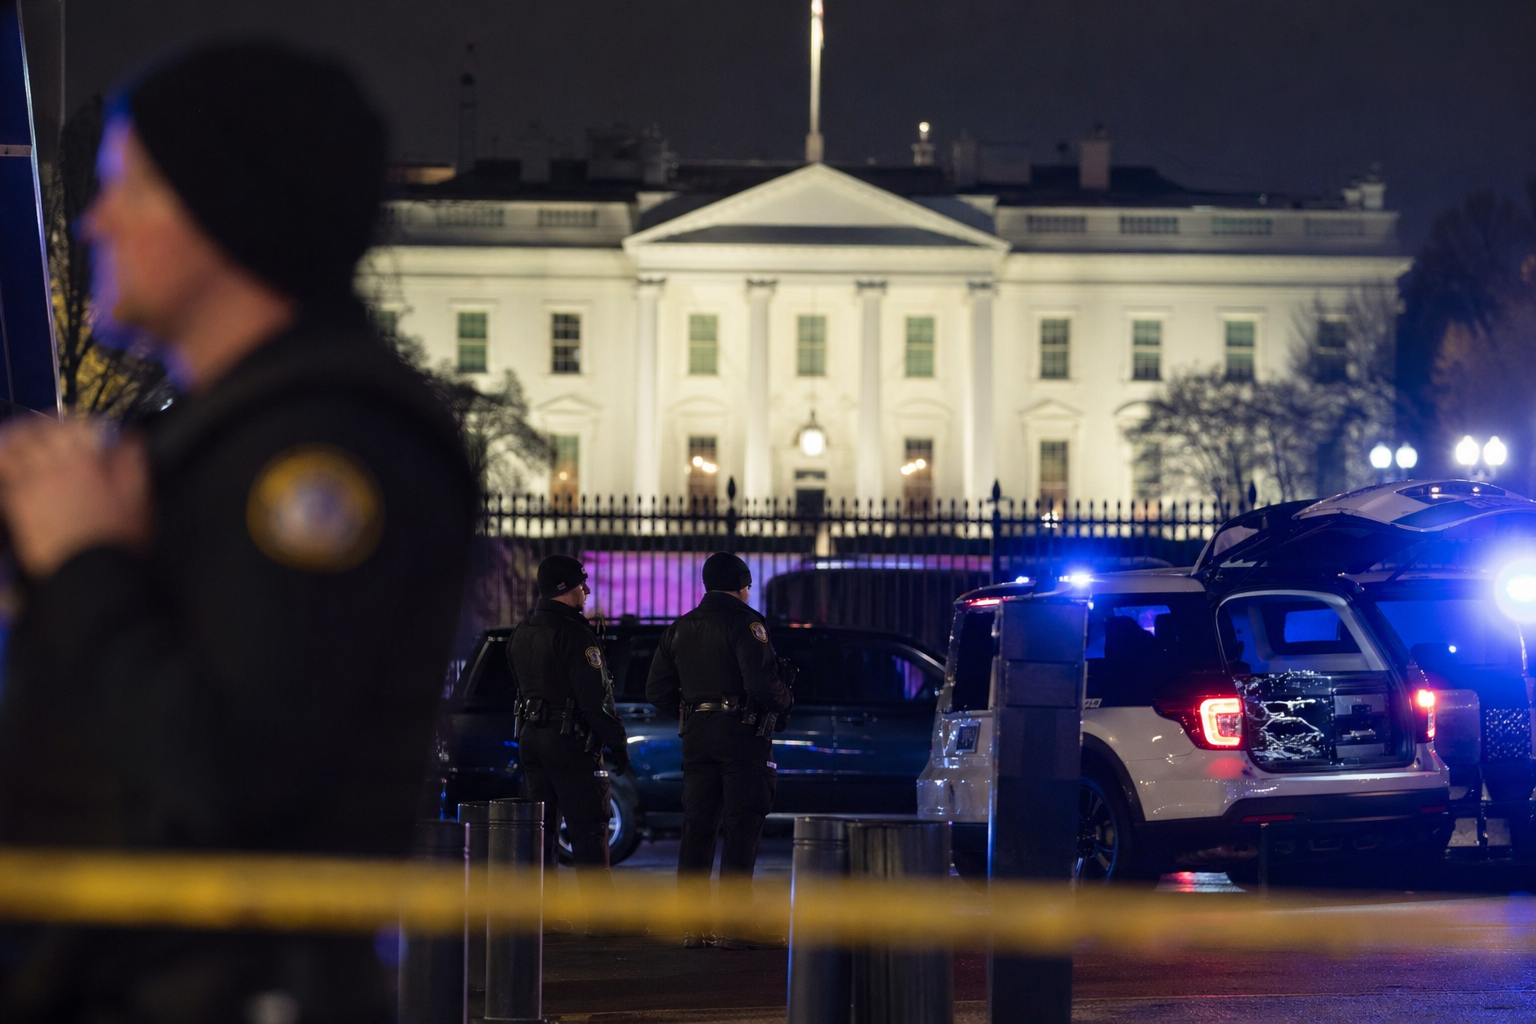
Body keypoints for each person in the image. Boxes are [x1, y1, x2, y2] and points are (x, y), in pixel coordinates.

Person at [0, 42, 477, 1023]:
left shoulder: (324, 453)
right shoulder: (228, 435)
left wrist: (83, 562)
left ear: (223, 206)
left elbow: (234, 767)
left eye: (127, 186)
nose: (96, 220)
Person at [646, 552, 793, 949]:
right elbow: (762, 683)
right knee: (742, 827)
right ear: (742, 584)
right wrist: (785, 700)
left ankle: (694, 926)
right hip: (742, 738)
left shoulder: (681, 626)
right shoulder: (745, 621)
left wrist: (694, 710)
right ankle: (735, 925)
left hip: (697, 737)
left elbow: (656, 690)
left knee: (698, 828)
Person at [508, 555, 628, 910]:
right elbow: (596, 698)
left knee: (540, 830)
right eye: (581, 584)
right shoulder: (575, 634)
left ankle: (544, 915)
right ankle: (600, 915)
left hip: (532, 736)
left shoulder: (522, 631)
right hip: (570, 740)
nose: (587, 590)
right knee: (589, 827)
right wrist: (617, 741)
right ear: (565, 589)